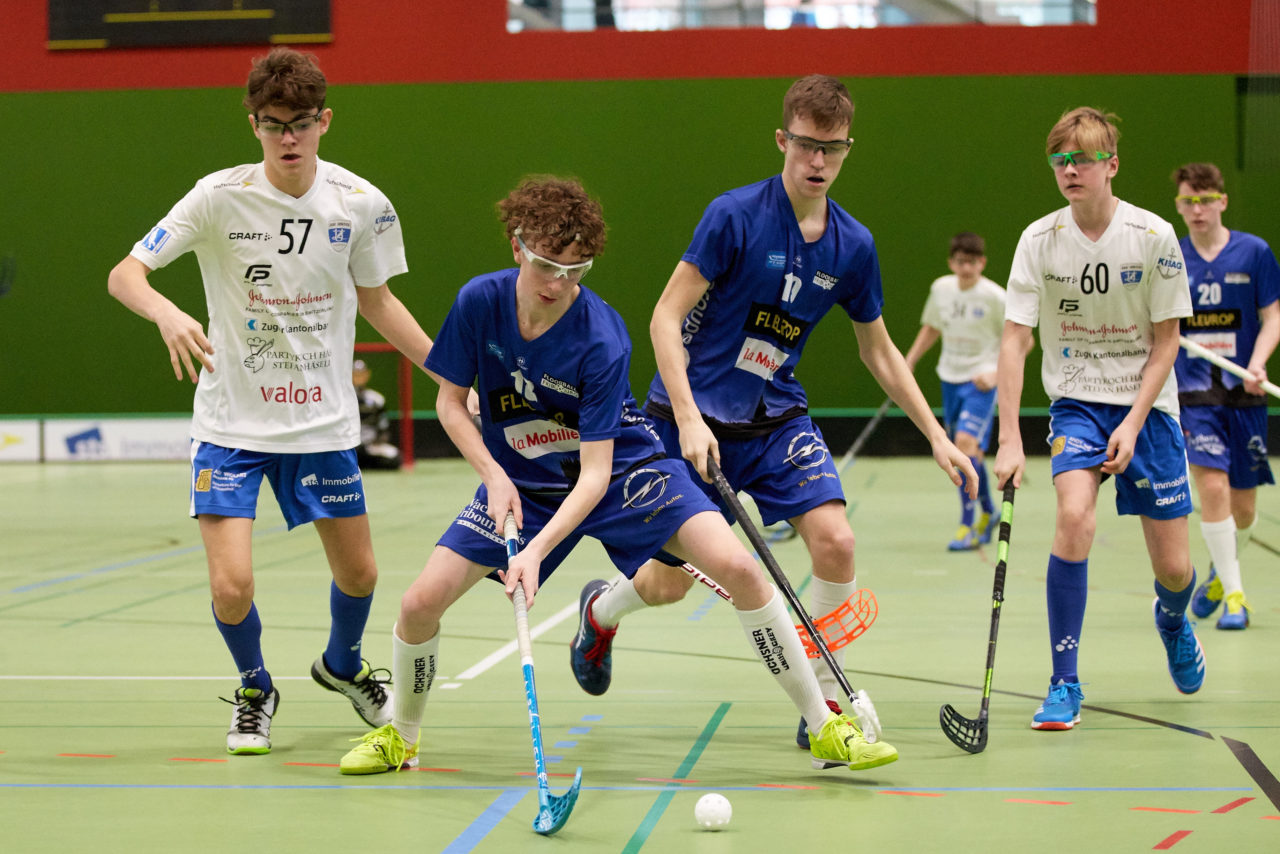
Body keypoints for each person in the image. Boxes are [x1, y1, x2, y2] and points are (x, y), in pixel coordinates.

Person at [338, 176, 897, 775]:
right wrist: (494, 476)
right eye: (549, 266)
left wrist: (536, 552)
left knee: (738, 567)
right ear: (517, 245)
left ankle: (823, 727)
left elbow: (596, 475)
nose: (560, 284)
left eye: (577, 271)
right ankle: (402, 736)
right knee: (420, 602)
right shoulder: (479, 302)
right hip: (523, 481)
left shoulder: (601, 335)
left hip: (623, 472)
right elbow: (451, 403)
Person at [566, 74, 977, 751]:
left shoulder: (854, 245)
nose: (819, 162)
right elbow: (665, 318)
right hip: (689, 419)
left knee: (837, 542)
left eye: (833, 149)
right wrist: (690, 418)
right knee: (667, 585)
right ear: (783, 140)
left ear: (848, 150)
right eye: (808, 146)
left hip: (775, 416)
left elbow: (878, 349)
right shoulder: (735, 216)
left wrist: (936, 435)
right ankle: (601, 610)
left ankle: (815, 700)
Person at [107, 47, 435, 755]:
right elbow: (126, 274)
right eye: (273, 124)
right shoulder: (217, 196)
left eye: (302, 123)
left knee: (362, 573)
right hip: (229, 424)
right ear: (253, 123)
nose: (288, 138)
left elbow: (378, 301)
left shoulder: (360, 203)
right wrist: (166, 313)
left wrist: (447, 370)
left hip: (320, 425)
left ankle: (341, 665)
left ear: (326, 121)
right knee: (232, 587)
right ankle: (256, 686)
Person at [994, 107, 1204, 732]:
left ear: (1111, 164)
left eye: (1082, 158)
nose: (1069, 170)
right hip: (1077, 401)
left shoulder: (1153, 236)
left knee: (1173, 569)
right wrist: (1008, 437)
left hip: (1147, 405)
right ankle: (1064, 681)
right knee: (1073, 517)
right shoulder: (1039, 240)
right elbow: (1014, 339)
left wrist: (1135, 421)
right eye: (1060, 159)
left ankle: (1172, 619)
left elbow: (1167, 342)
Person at [1170, 162, 1280, 631]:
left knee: (1245, 507)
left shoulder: (1253, 252)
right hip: (1193, 392)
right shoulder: (1170, 257)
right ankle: (1236, 597)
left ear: (1222, 201)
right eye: (1187, 201)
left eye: (1205, 199)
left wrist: (1258, 363)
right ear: (1178, 206)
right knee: (1211, 487)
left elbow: (1272, 315)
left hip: (1244, 391)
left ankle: (1220, 572)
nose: (1197, 210)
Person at [903, 232, 1007, 551]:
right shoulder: (941, 289)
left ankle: (967, 523)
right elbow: (932, 327)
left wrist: (995, 374)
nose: (966, 268)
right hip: (949, 378)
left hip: (981, 382)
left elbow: (1021, 343)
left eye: (973, 262)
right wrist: (908, 361)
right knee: (967, 454)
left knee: (962, 445)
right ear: (951, 262)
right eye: (960, 261)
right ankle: (990, 512)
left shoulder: (995, 297)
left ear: (982, 263)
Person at [353, 359, 403, 470]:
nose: (358, 377)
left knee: (395, 457)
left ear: (367, 375)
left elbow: (383, 424)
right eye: (355, 374)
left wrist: (379, 439)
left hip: (371, 444)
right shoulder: (344, 399)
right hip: (350, 445)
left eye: (361, 374)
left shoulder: (376, 399)